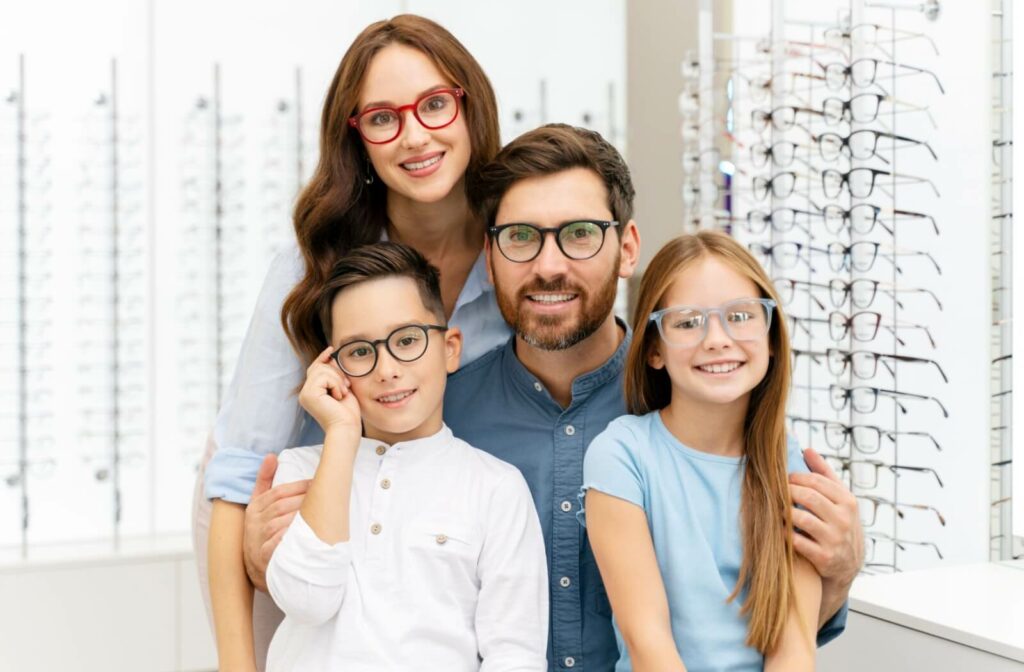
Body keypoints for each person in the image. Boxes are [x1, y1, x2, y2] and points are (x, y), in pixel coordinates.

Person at [444, 124, 862, 671]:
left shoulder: (702, 399)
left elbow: (772, 625)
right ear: (490, 253)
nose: (548, 265)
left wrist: (840, 570)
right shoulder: (443, 417)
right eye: (520, 237)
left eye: (579, 234)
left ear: (627, 248)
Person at [195, 15, 511, 670]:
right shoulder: (311, 267)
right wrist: (235, 660)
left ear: (469, 105)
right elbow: (235, 472)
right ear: (356, 138)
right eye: (382, 118)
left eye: (433, 104)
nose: (415, 135)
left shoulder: (514, 250)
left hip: (422, 531)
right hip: (288, 530)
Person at [264, 242, 547, 671]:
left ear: (450, 348)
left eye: (407, 340)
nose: (386, 369)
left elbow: (515, 654)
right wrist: (341, 434)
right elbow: (306, 600)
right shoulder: (300, 470)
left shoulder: (496, 488)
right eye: (359, 351)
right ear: (332, 366)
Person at [582, 231, 820, 671]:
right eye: (688, 322)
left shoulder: (789, 464)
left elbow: (795, 650)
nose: (717, 339)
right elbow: (647, 644)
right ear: (654, 349)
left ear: (770, 337)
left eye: (741, 316)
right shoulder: (621, 455)